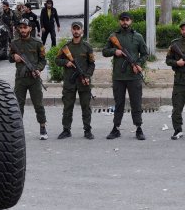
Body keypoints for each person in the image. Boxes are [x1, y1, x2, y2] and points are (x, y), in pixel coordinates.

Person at [102, 12, 148, 140]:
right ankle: (116, 128)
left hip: (134, 77)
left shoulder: (138, 37)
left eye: (127, 20)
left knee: (136, 103)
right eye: (122, 20)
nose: (125, 22)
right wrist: (114, 51)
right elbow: (104, 51)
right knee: (119, 104)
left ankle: (139, 128)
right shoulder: (114, 36)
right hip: (118, 77)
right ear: (119, 22)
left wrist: (138, 64)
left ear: (131, 21)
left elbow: (145, 54)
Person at [9, 18, 48, 139]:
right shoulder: (14, 43)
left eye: (25, 27)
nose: (23, 30)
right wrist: (13, 57)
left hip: (34, 79)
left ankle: (42, 127)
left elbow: (43, 60)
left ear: (30, 28)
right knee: (18, 105)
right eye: (20, 28)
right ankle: (18, 129)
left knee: (38, 104)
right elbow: (9, 57)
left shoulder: (37, 43)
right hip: (20, 79)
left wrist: (38, 69)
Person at [58, 21, 95, 139]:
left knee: (86, 107)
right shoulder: (66, 47)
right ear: (71, 30)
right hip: (69, 82)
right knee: (68, 107)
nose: (76, 31)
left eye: (78, 29)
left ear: (82, 31)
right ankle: (66, 130)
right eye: (74, 29)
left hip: (83, 82)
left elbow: (92, 64)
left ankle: (87, 130)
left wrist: (88, 76)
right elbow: (57, 60)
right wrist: (66, 62)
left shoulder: (87, 47)